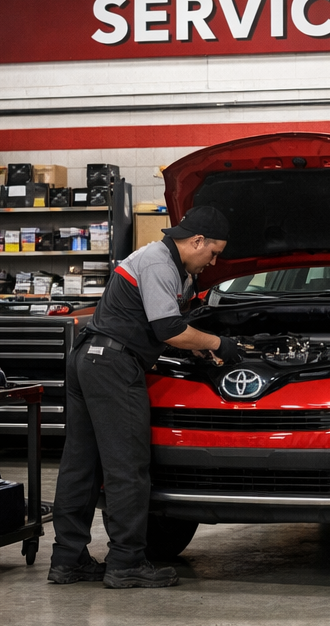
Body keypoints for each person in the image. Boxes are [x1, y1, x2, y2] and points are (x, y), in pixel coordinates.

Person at [48, 205, 242, 589]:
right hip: (114, 366)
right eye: (214, 252)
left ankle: (67, 561)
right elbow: (169, 328)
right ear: (196, 241)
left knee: (81, 467)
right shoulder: (158, 262)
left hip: (91, 357)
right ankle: (126, 562)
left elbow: (163, 324)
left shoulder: (163, 261)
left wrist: (198, 347)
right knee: (128, 466)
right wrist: (221, 343)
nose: (214, 261)